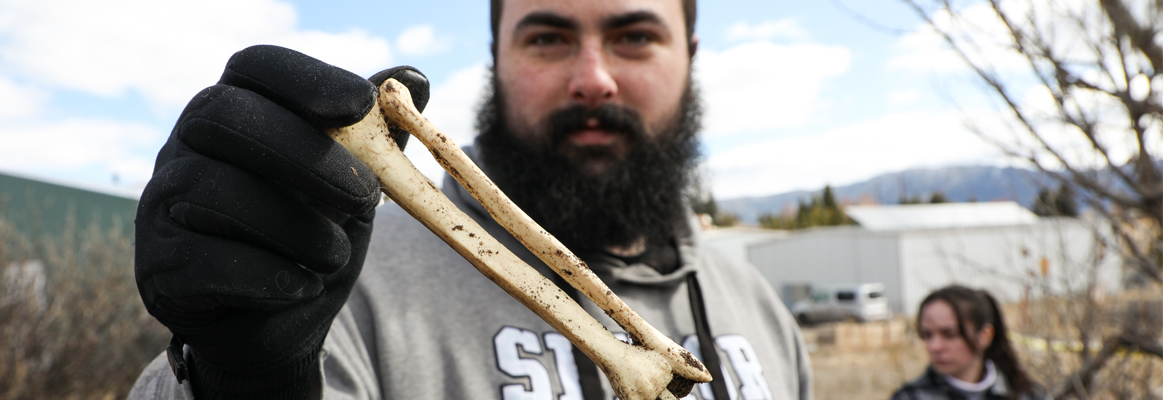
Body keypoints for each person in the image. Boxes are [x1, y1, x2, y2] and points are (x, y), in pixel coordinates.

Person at [128, 0, 812, 399]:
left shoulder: (759, 310)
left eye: (635, 36)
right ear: (496, 59)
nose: (593, 79)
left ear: (690, 55)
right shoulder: (333, 283)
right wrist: (231, 383)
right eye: (548, 38)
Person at [891, 285, 1046, 400]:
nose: (934, 347)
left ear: (984, 336)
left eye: (949, 334)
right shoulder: (910, 396)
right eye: (927, 335)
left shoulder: (1027, 395)